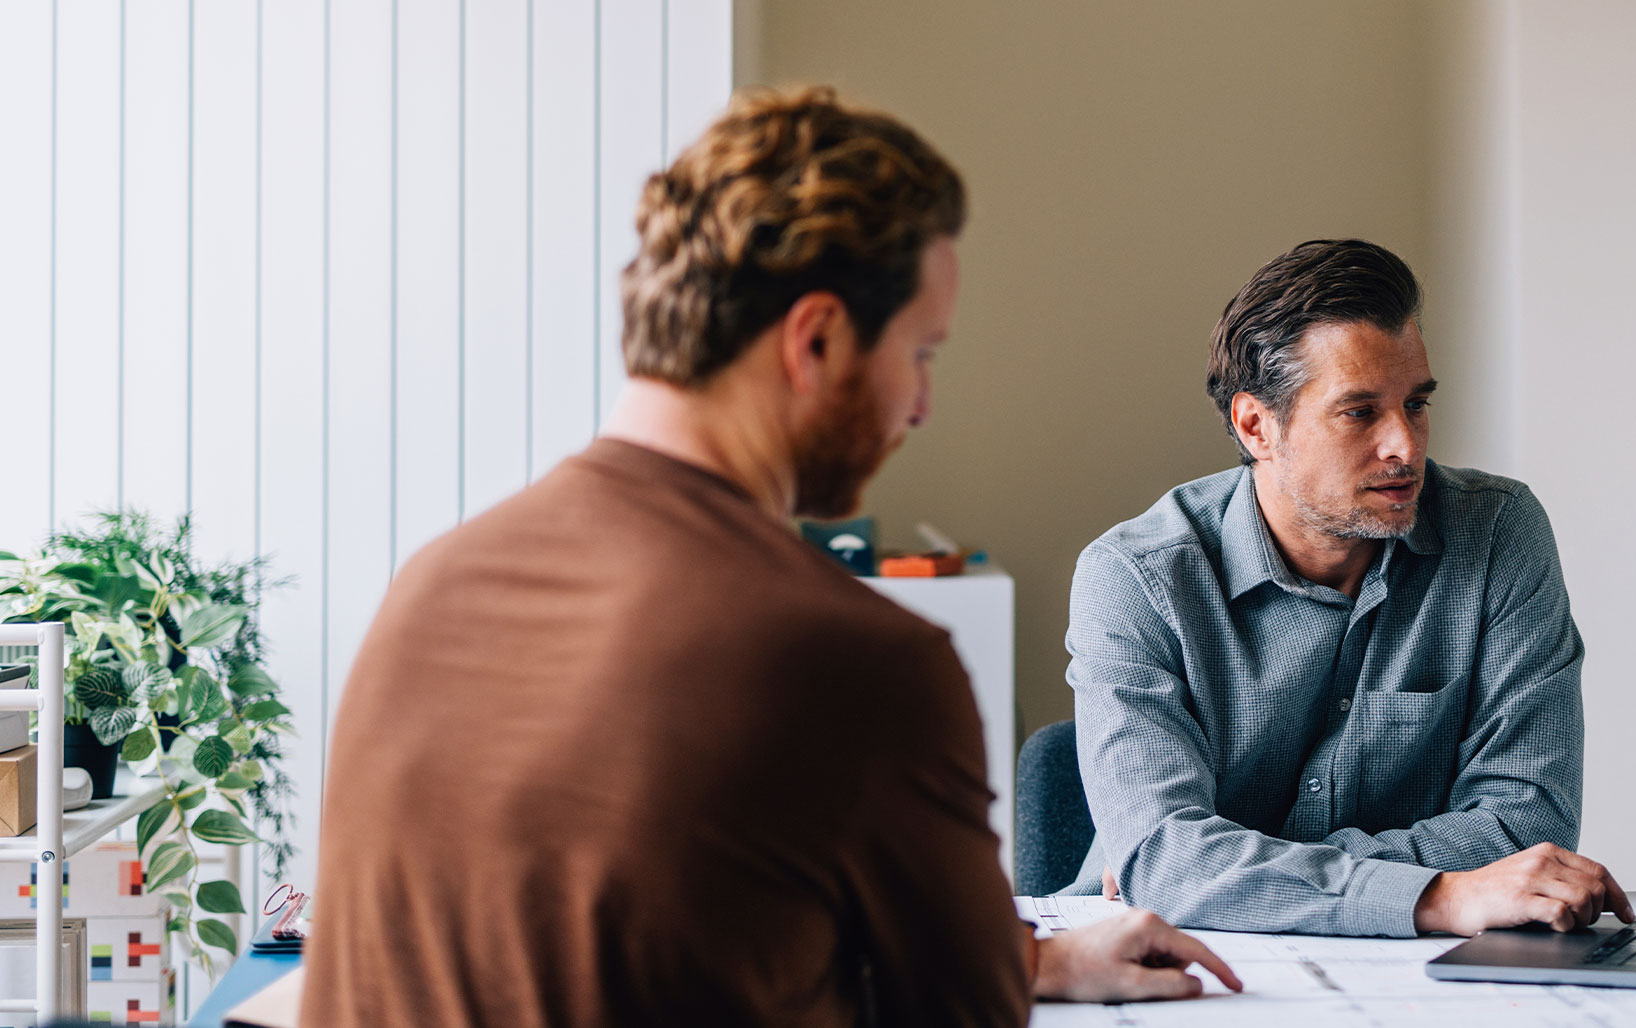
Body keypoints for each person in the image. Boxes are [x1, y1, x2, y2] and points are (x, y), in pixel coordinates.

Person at [304, 86, 1238, 1027]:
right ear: (819, 338)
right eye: (921, 354)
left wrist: (1039, 958)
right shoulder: (861, 661)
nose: (921, 407)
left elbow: (631, 939)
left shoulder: (431, 588)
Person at [1065, 239, 1635, 938]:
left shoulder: (1497, 535)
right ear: (1256, 426)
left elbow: (1528, 822)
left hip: (1418, 975)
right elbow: (1167, 863)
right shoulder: (1135, 579)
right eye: (1360, 412)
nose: (1406, 445)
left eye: (1417, 403)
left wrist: (1234, 873)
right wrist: (1434, 895)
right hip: (1176, 956)